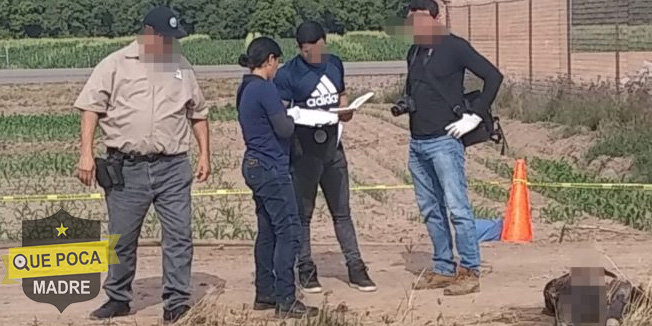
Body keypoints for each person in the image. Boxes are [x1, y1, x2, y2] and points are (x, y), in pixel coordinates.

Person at [74, 6, 210, 323]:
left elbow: (198, 113)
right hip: (126, 169)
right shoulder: (115, 64)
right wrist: (85, 153)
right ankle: (118, 297)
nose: (171, 44)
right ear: (149, 34)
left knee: (179, 237)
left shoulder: (181, 68)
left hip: (173, 168)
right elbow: (90, 109)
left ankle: (176, 301)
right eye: (166, 38)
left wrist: (205, 154)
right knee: (122, 239)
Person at [401, 0, 503, 295]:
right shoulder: (415, 52)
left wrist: (475, 116)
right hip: (417, 143)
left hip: (445, 142)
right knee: (431, 209)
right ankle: (443, 267)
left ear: (436, 18)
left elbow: (493, 77)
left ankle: (469, 270)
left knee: (458, 209)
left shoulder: (454, 47)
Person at [273, 20, 376, 294]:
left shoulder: (335, 64)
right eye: (305, 51)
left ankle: (356, 267)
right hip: (304, 152)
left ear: (324, 42)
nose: (311, 55)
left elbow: (341, 95)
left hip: (333, 148)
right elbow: (280, 113)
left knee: (342, 212)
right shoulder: (288, 74)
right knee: (303, 215)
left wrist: (345, 110)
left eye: (315, 49)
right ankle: (305, 268)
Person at [236, 36, 319, 319]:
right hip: (271, 167)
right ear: (269, 60)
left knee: (268, 230)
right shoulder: (265, 89)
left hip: (255, 164)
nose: (277, 67)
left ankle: (265, 291)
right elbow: (283, 129)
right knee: (289, 231)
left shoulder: (245, 88)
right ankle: (286, 298)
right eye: (276, 62)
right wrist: (294, 116)